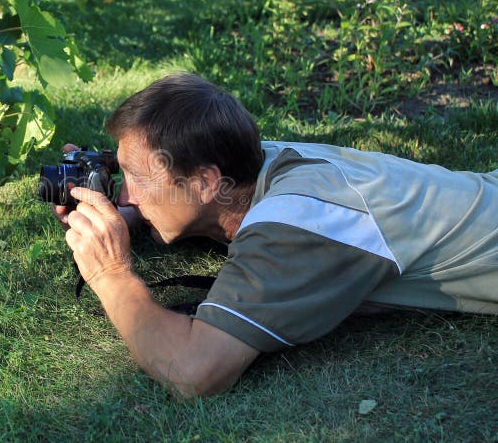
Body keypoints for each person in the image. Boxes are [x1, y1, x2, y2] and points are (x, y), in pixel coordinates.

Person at [53, 72, 498, 397]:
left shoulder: (298, 222)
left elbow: (194, 372)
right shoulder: (257, 162)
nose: (126, 193)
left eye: (135, 177)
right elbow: (198, 208)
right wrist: (125, 212)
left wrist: (110, 273)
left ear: (206, 182)